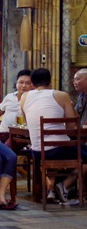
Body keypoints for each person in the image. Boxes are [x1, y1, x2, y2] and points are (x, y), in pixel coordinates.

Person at [21, 68, 87, 203]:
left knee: (74, 150)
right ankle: (65, 185)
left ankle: (54, 190)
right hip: (58, 150)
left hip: (37, 151)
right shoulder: (62, 95)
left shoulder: (24, 97)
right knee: (80, 153)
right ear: (50, 82)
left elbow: (26, 121)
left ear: (32, 84)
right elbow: (70, 127)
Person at [0, 69, 33, 145]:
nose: (23, 86)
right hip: (1, 132)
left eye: (28, 83)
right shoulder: (9, 97)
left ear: (32, 85)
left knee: (6, 149)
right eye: (21, 82)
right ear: (16, 83)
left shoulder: (32, 99)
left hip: (20, 135)